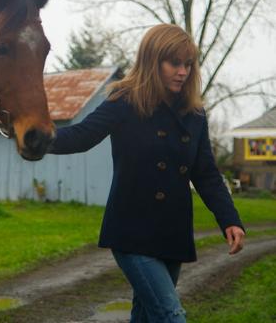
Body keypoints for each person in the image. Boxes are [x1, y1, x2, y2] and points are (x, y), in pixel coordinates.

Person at [48, 24, 245, 322]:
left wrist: (229, 219)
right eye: (174, 63)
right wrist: (37, 139)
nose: (183, 71)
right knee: (170, 315)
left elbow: (205, 173)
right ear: (153, 61)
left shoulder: (195, 115)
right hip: (132, 231)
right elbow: (81, 135)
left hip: (172, 233)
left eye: (188, 64)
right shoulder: (124, 101)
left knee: (147, 316)